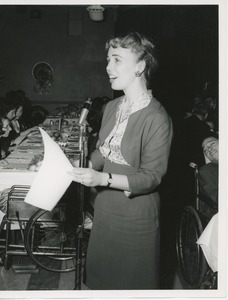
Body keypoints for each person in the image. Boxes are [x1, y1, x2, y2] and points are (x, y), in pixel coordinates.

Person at [68, 32, 173, 289]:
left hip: (136, 217)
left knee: (130, 285)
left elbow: (151, 177)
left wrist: (102, 178)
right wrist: (89, 165)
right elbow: (104, 151)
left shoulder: (157, 117)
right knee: (101, 282)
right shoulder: (112, 107)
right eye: (107, 60)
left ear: (140, 66)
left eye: (116, 60)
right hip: (105, 211)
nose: (107, 67)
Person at [198, 136, 218, 203]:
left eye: (212, 144)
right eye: (205, 150)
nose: (209, 149)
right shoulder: (206, 171)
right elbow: (217, 198)